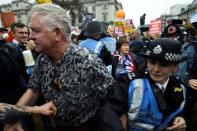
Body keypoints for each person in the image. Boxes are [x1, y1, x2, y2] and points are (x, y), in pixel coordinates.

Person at [4, 3, 116, 131]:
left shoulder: (88, 62)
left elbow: (114, 99)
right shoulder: (42, 59)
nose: (30, 36)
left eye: (36, 30)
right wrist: (15, 116)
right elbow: (34, 90)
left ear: (57, 33)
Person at [99, 38, 187, 131]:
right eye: (152, 62)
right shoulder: (130, 83)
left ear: (175, 67)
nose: (156, 69)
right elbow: (107, 109)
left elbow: (178, 110)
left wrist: (181, 119)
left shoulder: (180, 87)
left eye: (163, 64)